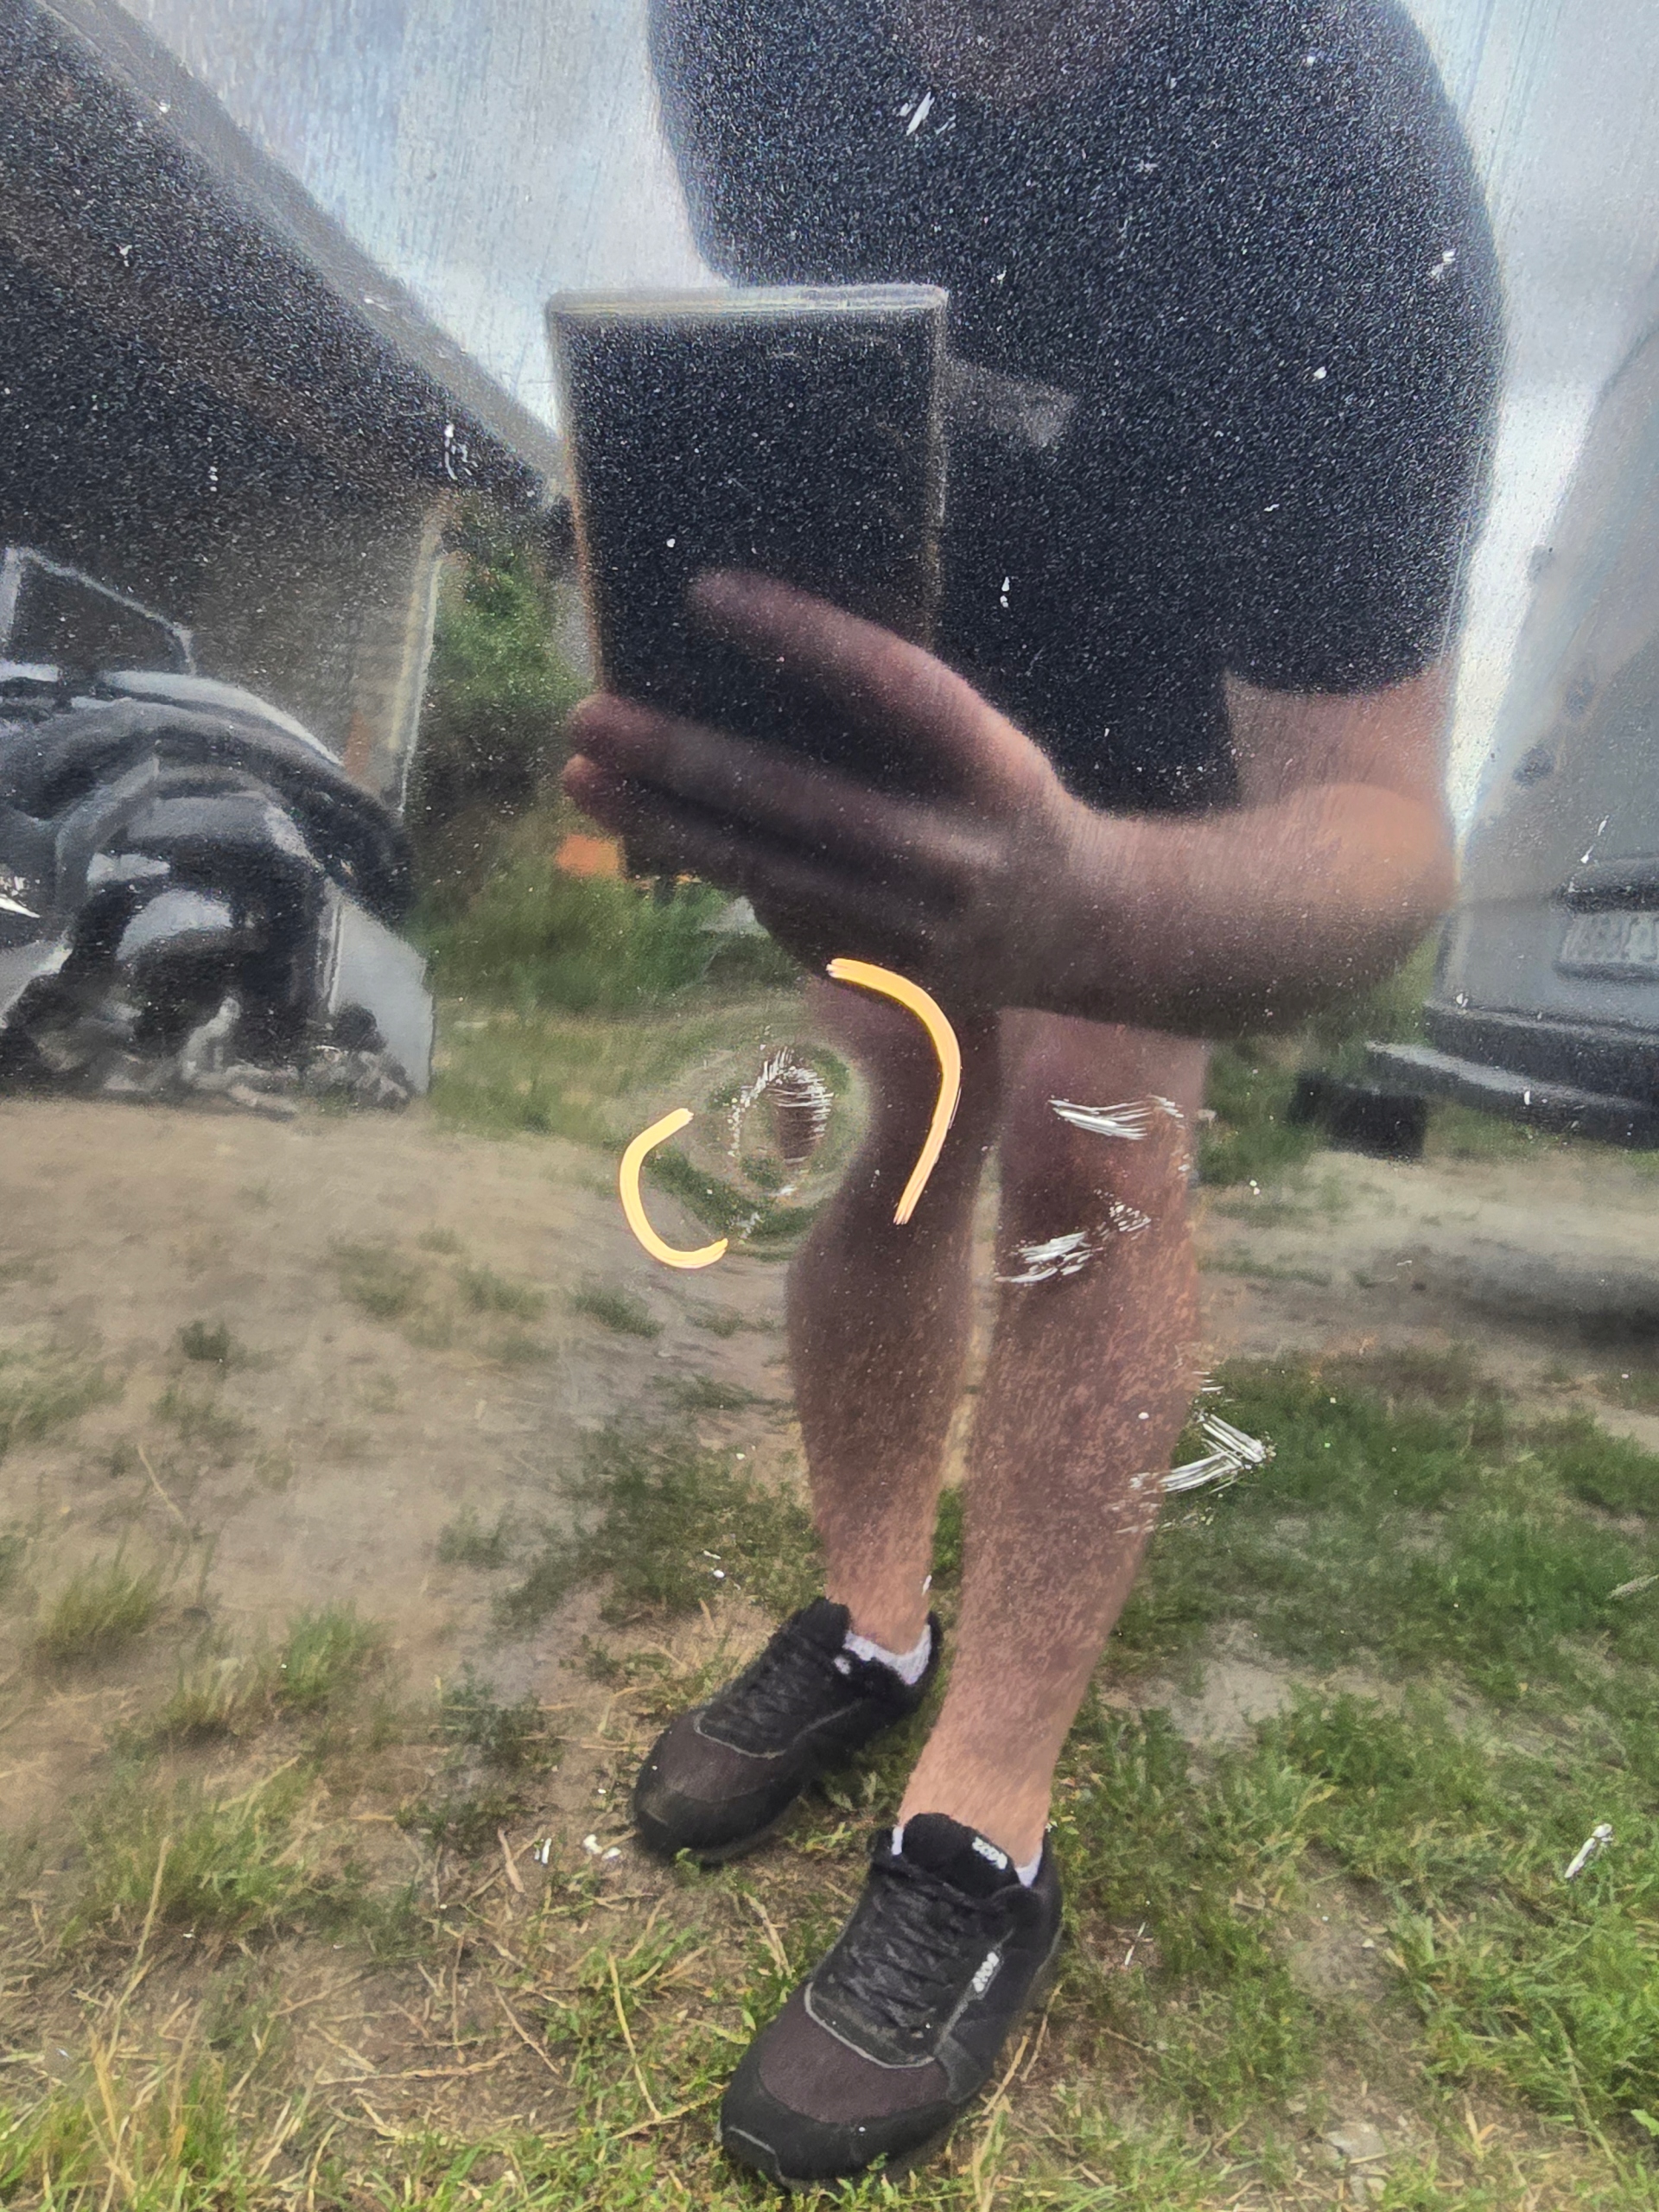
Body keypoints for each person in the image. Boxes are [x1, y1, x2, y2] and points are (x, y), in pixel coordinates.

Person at [563, 0, 1501, 2184]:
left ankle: (982, 1822)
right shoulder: (737, 28)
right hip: (933, 629)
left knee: (1092, 1141)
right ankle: (875, 1623)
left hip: (1182, 676)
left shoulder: (1350, 179)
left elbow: (1388, 837)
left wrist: (1093, 898)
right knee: (899, 1103)